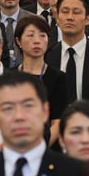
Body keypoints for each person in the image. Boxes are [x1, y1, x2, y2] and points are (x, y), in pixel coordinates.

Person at [13, 14, 66, 143]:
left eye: (42, 35)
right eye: (30, 35)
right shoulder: (9, 77)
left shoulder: (58, 77)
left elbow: (58, 122)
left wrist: (40, 148)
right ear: (19, 41)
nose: (37, 41)